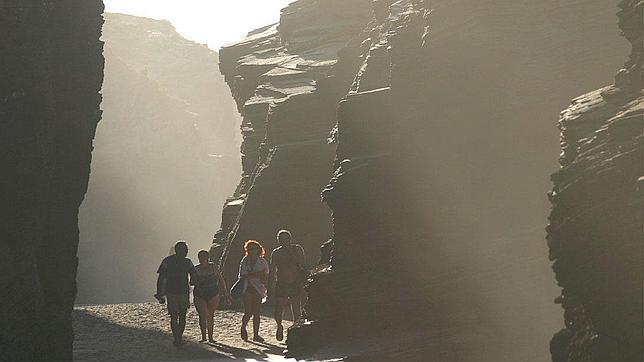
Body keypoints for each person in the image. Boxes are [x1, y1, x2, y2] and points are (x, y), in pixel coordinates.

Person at [155, 241, 194, 346]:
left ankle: (177, 337)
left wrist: (160, 293)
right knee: (182, 316)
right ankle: (178, 337)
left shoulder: (167, 261)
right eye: (185, 250)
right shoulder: (187, 262)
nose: (186, 252)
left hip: (171, 292)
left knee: (174, 316)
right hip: (182, 292)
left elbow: (161, 278)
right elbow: (194, 276)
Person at [269, 229, 306, 341]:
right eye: (280, 239)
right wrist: (270, 285)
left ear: (290, 239)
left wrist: (291, 254)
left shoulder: (297, 249)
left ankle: (296, 330)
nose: (283, 241)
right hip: (282, 282)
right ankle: (279, 326)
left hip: (295, 282)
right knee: (279, 307)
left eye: (285, 239)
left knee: (296, 307)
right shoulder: (276, 252)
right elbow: (272, 269)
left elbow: (302, 264)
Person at [192, 249, 231, 343]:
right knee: (202, 315)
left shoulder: (213, 267)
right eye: (201, 257)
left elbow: (221, 280)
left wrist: (225, 293)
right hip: (200, 294)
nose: (203, 259)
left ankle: (210, 337)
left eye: (204, 257)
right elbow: (191, 282)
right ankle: (204, 337)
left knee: (210, 315)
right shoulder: (195, 269)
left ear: (207, 257)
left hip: (213, 293)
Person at [238, 240, 269, 342]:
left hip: (258, 289)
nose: (252, 251)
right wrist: (257, 274)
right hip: (247, 288)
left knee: (257, 312)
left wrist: (254, 275)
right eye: (249, 249)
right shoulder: (245, 260)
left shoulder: (262, 261)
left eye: (254, 249)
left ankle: (256, 335)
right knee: (248, 312)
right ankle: (243, 327)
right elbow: (242, 275)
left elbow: (265, 276)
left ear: (258, 249)